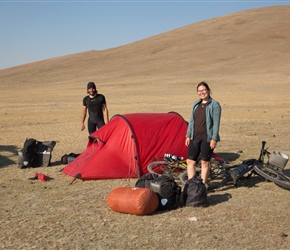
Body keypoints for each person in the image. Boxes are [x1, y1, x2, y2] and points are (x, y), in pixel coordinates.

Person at [185, 81, 221, 184]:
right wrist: (188, 135)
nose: (202, 92)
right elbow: (191, 121)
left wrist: (214, 139)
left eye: (204, 90)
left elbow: (216, 123)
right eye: (199, 91)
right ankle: (192, 185)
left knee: (204, 162)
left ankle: (203, 185)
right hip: (195, 137)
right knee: (190, 161)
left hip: (207, 138)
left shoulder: (214, 105)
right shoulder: (195, 104)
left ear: (208, 91)